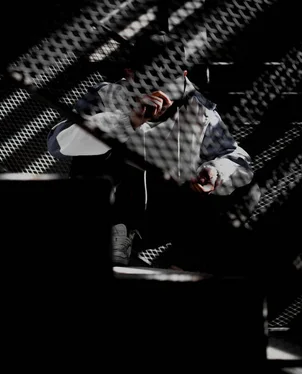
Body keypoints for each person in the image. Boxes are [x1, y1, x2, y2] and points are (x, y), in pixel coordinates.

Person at [47, 72, 259, 270]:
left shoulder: (199, 108)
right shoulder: (107, 96)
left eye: (169, 77)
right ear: (130, 74)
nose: (162, 90)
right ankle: (112, 240)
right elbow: (57, 144)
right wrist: (129, 121)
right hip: (110, 207)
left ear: (183, 74)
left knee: (246, 190)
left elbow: (236, 158)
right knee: (102, 144)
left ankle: (181, 266)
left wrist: (216, 172)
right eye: (150, 77)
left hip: (161, 213)